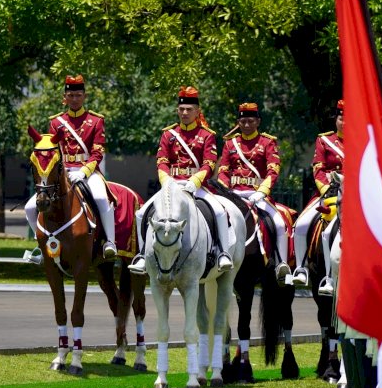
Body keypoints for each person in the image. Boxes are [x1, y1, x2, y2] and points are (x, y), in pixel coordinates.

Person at [129, 86, 233, 274]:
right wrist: (167, 181)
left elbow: (209, 164)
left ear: (197, 111)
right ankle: (143, 255)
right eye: (182, 109)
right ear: (177, 111)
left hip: (196, 185)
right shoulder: (168, 134)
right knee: (140, 213)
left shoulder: (207, 135)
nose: (185, 113)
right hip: (172, 184)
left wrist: (195, 181)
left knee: (219, 211)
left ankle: (222, 252)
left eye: (189, 109)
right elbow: (162, 161)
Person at [23, 74, 116, 259]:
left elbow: (97, 152)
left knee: (100, 198)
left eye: (78, 95)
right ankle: (41, 245)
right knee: (29, 208)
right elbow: (51, 153)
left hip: (87, 172)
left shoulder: (96, 121)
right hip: (61, 173)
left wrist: (84, 171)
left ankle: (110, 242)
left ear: (84, 96)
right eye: (71, 96)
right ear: (65, 98)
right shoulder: (56, 122)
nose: (74, 99)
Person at [216, 102, 289, 273]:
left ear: (258, 121)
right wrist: (226, 193)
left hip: (257, 195)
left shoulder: (267, 142)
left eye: (250, 121)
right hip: (233, 194)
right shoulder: (230, 144)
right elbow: (223, 171)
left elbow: (273, 170)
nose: (246, 125)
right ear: (238, 123)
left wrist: (262, 192)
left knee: (279, 222)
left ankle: (281, 262)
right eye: (243, 122)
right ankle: (219, 255)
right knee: (217, 218)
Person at [291, 100, 345, 286]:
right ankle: (301, 267)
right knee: (301, 224)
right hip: (328, 193)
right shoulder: (324, 140)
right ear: (336, 120)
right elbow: (318, 169)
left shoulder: (362, 142)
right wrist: (326, 189)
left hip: (353, 196)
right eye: (341, 118)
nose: (344, 122)